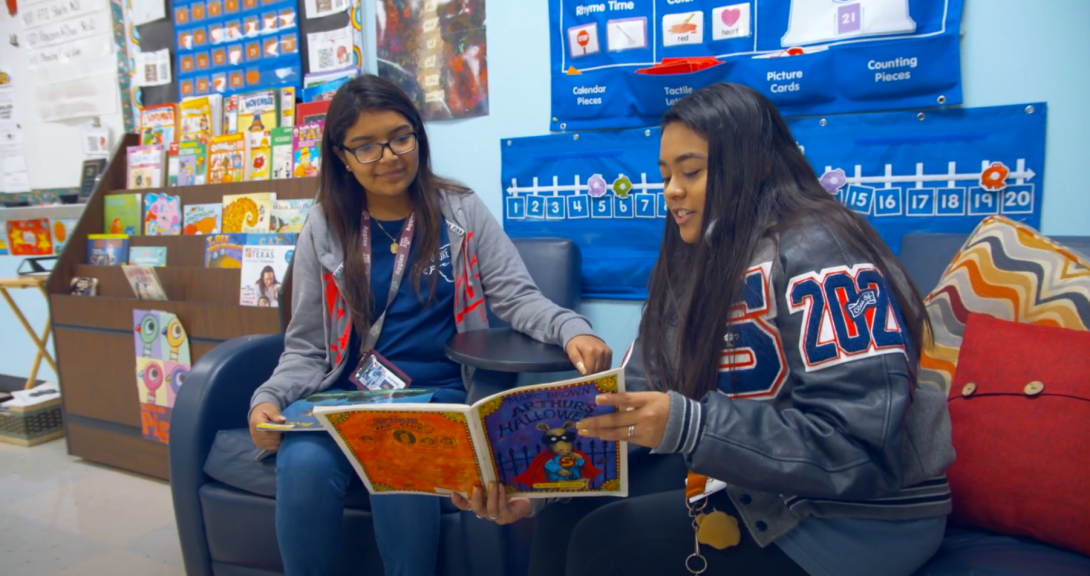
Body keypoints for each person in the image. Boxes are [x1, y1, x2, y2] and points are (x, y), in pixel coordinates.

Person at [453, 83, 955, 576]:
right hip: (757, 478)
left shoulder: (824, 252)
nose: (672, 190)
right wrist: (537, 484)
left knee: (605, 542)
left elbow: (857, 445)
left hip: (860, 515)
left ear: (757, 165)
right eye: (666, 174)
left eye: (691, 172)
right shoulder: (692, 260)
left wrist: (690, 423)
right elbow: (641, 393)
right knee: (569, 509)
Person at [247, 74, 612, 576]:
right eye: (367, 147)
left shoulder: (459, 210)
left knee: (402, 459)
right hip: (345, 400)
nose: (390, 156)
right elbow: (308, 347)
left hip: (432, 399)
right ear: (342, 157)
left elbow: (518, 297)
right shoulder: (324, 228)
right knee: (302, 462)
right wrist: (268, 399)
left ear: (418, 134)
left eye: (400, 137)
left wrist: (574, 329)